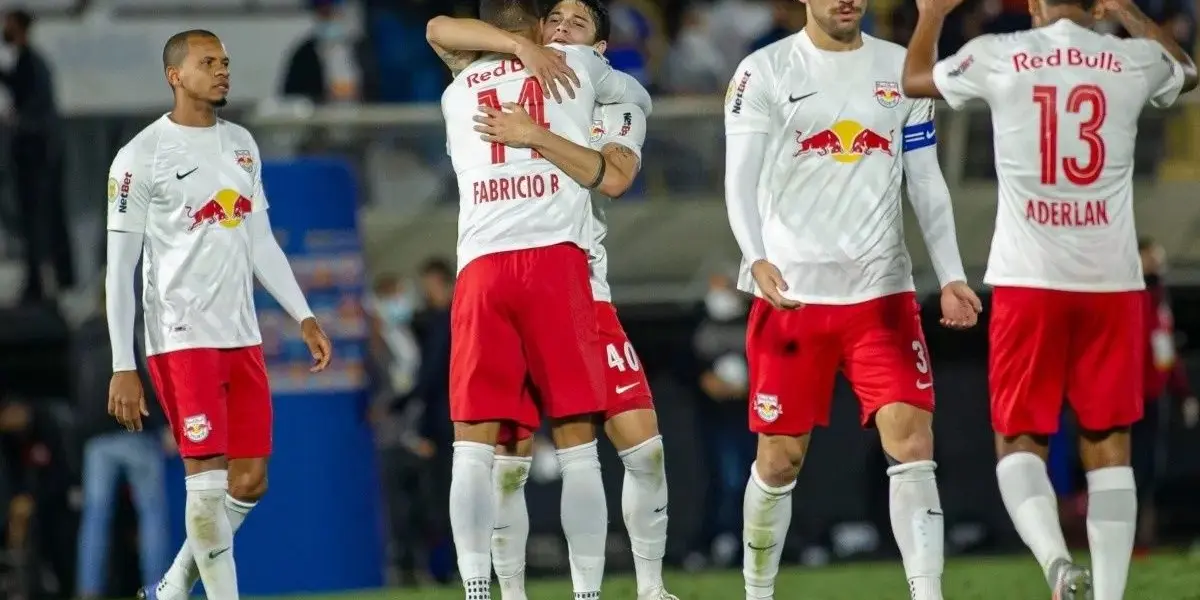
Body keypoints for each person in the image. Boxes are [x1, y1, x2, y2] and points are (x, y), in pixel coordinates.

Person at [900, 0, 1198, 596]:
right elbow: (1187, 72)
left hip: (1030, 279)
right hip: (1111, 281)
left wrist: (931, 15)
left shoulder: (1001, 54)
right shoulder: (1130, 58)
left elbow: (914, 80)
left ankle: (1057, 564)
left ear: (1035, 5)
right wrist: (1130, 13)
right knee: (1110, 444)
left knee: (1019, 438)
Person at [723, 0, 983, 597]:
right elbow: (739, 177)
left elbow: (925, 178)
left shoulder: (902, 68)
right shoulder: (763, 70)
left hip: (881, 298)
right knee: (779, 462)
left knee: (913, 443)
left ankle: (927, 593)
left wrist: (950, 274)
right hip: (793, 297)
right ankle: (757, 592)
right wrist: (755, 255)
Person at [426, 2, 673, 599]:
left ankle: (649, 586)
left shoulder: (604, 94)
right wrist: (523, 49)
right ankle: (516, 591)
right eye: (554, 19)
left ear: (600, 46)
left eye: (576, 25)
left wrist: (534, 134)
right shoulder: (539, 63)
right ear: (537, 27)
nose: (561, 30)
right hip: (548, 272)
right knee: (520, 456)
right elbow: (444, 30)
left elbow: (616, 176)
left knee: (642, 448)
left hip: (582, 286)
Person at [103, 29, 333, 600]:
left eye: (225, 62)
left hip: (242, 336)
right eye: (208, 62)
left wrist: (303, 315)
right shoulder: (139, 157)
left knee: (249, 482)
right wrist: (122, 364)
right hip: (181, 338)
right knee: (205, 487)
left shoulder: (242, 144)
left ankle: (171, 588)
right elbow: (119, 269)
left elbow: (260, 241)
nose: (222, 70)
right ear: (175, 76)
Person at [75, 286, 170, 599]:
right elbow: (151, 376)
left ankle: (89, 591)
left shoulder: (83, 335)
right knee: (151, 514)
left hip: (97, 435)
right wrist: (162, 423)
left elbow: (77, 385)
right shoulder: (134, 325)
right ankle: (158, 590)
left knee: (95, 516)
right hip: (136, 430)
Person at [0, 9, 73, 304]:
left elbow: (36, 107)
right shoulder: (26, 62)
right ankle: (44, 281)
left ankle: (42, 284)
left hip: (38, 156)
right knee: (39, 218)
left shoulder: (32, 63)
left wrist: (17, 122)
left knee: (38, 218)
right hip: (38, 153)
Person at [1135, 237, 1197, 548]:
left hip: (1153, 397)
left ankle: (1143, 537)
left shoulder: (1159, 298)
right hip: (1127, 397)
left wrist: (1183, 393)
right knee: (1126, 469)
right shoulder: (1128, 296)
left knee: (1150, 470)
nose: (1157, 261)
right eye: (1150, 256)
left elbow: (1165, 349)